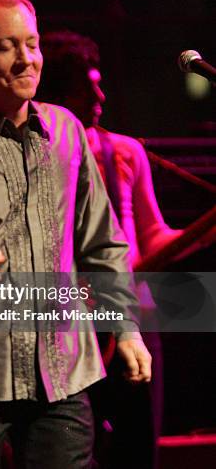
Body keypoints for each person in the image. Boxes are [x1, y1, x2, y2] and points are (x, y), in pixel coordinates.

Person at [0, 0, 151, 469]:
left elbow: (103, 244)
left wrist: (125, 328)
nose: (26, 60)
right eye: (5, 46)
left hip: (64, 372)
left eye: (32, 44)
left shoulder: (67, 132)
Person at [37, 29, 198, 469]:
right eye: (88, 83)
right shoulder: (38, 150)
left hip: (130, 317)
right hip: (63, 321)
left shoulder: (125, 151)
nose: (100, 93)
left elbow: (150, 239)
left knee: (137, 448)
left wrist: (200, 232)